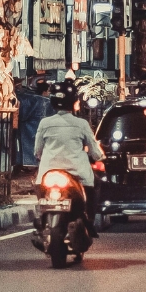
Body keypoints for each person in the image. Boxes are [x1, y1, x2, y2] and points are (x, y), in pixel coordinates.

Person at [34, 79, 105, 235]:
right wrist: (99, 157)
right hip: (78, 173)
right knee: (96, 184)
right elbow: (95, 151)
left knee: (39, 189)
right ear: (74, 102)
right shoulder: (81, 124)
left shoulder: (44, 123)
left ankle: (41, 218)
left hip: (48, 173)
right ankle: (90, 220)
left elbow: (37, 152)